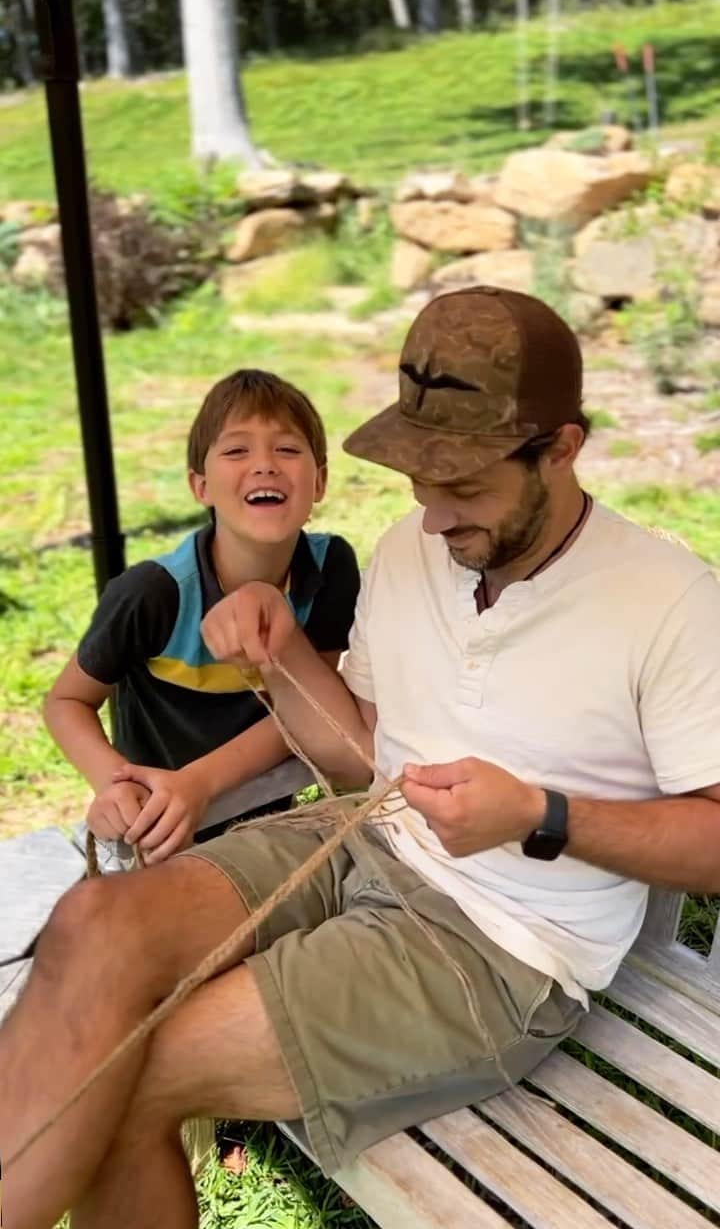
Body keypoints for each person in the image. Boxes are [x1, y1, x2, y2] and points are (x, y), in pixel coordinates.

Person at [4, 287, 720, 1229]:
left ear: (561, 449)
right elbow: (358, 764)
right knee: (94, 919)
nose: (432, 518)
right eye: (421, 483)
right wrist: (285, 649)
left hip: (500, 944)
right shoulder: (408, 552)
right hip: (358, 839)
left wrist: (542, 815)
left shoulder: (666, 600)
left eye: (462, 487)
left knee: (138, 1069)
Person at [43, 367, 360, 865]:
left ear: (319, 482)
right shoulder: (152, 594)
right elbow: (65, 701)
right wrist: (114, 783)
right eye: (237, 450)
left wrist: (201, 783)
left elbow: (311, 708)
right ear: (200, 486)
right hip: (158, 830)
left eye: (287, 449)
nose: (264, 466)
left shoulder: (332, 569)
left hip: (274, 817)